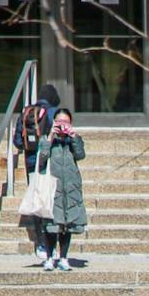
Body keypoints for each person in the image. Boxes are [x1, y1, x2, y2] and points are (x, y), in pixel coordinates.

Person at [41, 108, 88, 271]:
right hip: (52, 187)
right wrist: (50, 137)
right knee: (51, 224)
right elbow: (42, 157)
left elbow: (80, 155)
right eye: (59, 122)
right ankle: (49, 257)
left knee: (67, 224)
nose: (62, 126)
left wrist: (74, 136)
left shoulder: (73, 140)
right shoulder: (46, 139)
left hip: (70, 187)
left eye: (66, 122)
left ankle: (63, 258)